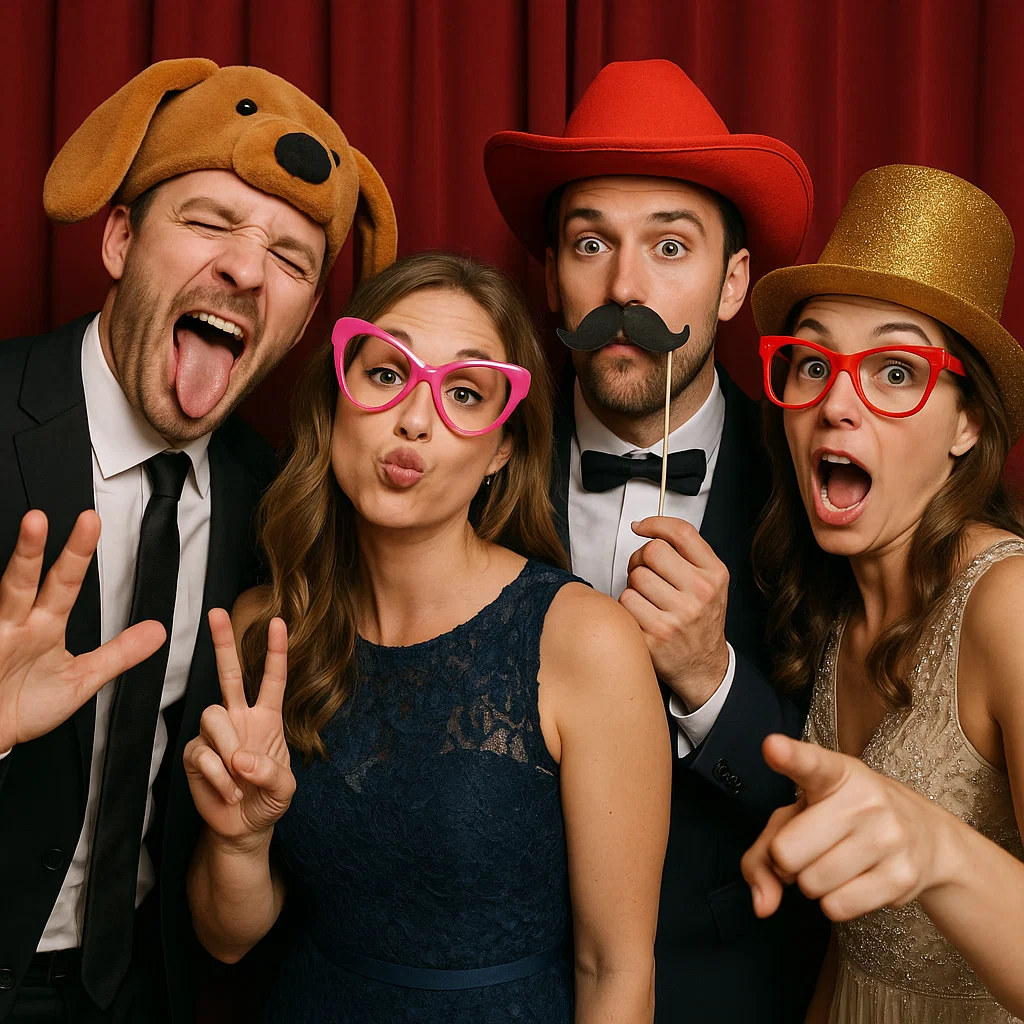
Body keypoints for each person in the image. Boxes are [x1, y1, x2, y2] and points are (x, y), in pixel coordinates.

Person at [0, 57, 396, 1023]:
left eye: (294, 260)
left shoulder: (284, 506)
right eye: (210, 222)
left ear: (307, 316)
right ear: (121, 237)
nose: (248, 269)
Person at [183, 251, 672, 1023]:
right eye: (386, 375)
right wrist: (241, 844)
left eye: (465, 392)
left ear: (503, 450)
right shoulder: (264, 628)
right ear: (335, 399)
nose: (415, 418)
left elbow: (616, 970)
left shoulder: (582, 643)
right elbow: (225, 941)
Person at [485, 58, 828, 1021]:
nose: (624, 286)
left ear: (733, 284)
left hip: (719, 987)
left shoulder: (816, 477)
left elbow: (867, 787)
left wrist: (712, 680)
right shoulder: (471, 465)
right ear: (550, 278)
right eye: (591, 243)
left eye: (670, 248)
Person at [742, 164, 1024, 1022]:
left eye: (896, 371)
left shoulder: (1009, 606)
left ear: (967, 423)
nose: (837, 404)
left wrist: (937, 847)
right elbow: (860, 950)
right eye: (814, 360)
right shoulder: (839, 600)